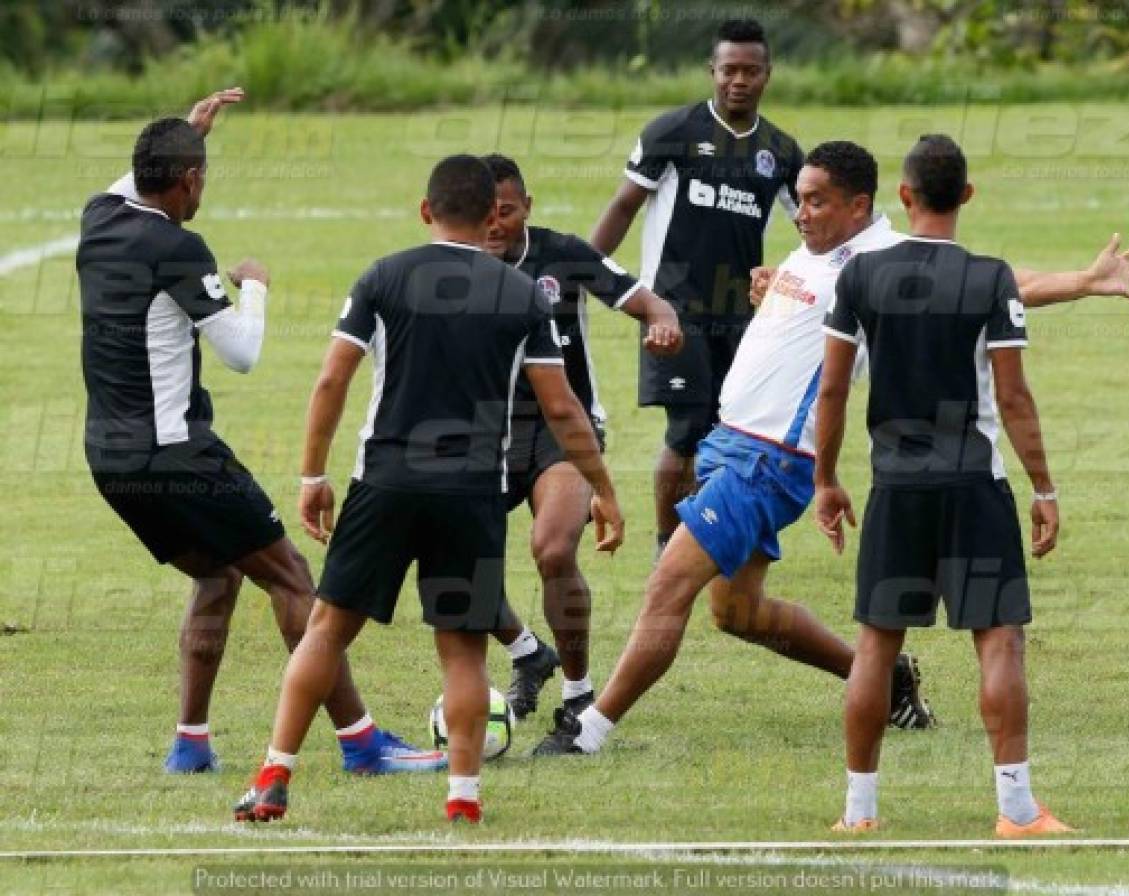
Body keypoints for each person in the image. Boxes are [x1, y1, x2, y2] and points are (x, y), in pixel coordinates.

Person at [532, 140, 1129, 758]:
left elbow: (999, 281)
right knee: (739, 613)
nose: (802, 213)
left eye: (817, 202)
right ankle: (883, 677)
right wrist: (775, 287)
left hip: (768, 459)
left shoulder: (883, 255)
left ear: (860, 205)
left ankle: (589, 730)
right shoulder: (815, 248)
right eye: (799, 200)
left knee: (668, 584)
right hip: (729, 442)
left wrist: (1085, 281)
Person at [233, 155, 623, 825]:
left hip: (384, 482)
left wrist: (312, 476)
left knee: (326, 632)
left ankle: (274, 773)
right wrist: (603, 488)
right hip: (471, 494)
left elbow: (331, 381)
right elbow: (562, 409)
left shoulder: (384, 276)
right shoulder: (522, 295)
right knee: (463, 650)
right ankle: (464, 798)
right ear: (492, 215)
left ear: (425, 211)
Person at [78, 88, 441, 776]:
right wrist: (256, 286)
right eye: (199, 175)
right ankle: (362, 744)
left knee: (218, 576)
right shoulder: (178, 247)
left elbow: (140, 178)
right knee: (291, 577)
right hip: (177, 455)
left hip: (110, 458)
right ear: (188, 181)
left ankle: (190, 744)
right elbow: (241, 353)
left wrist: (191, 133)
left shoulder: (98, 217)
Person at [815, 134, 1074, 837]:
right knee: (998, 642)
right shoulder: (992, 279)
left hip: (894, 487)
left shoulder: (860, 278)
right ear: (965, 195)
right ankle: (1017, 810)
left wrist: (826, 479)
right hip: (972, 485)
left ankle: (859, 812)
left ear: (904, 196)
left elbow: (832, 391)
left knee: (877, 646)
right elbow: (1014, 401)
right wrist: (1044, 489)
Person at [590, 18, 804, 557]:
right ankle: (669, 548)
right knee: (686, 432)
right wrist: (584, 270)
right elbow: (623, 206)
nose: (738, 80)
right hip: (674, 311)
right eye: (728, 69)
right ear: (712, 71)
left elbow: (813, 228)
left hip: (743, 318)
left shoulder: (779, 150)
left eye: (750, 71)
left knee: (727, 432)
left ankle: (708, 542)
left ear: (767, 75)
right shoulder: (673, 132)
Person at [480, 153, 682, 720]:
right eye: (484, 212)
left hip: (563, 428)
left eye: (507, 212)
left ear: (527, 208)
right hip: (484, 430)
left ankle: (577, 692)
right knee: (454, 561)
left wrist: (662, 320)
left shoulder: (561, 254)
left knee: (553, 548)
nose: (495, 224)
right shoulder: (456, 267)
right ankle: (527, 654)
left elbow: (643, 297)